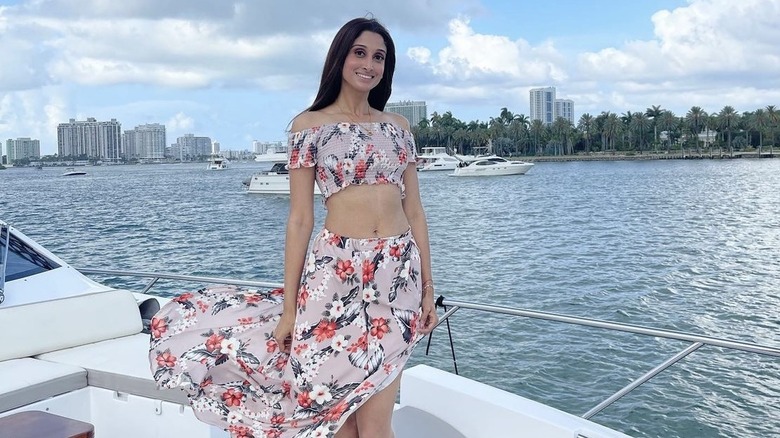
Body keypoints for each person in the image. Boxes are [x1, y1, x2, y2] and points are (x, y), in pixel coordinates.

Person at [149, 17, 438, 438]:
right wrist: (289, 312)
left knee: (376, 424)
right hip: (335, 278)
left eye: (379, 57)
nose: (369, 64)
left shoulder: (398, 127)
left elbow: (415, 211)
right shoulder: (309, 126)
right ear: (340, 57)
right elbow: (300, 219)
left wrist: (429, 289)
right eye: (360, 52)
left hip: (397, 277)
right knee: (332, 418)